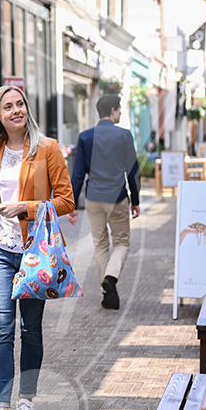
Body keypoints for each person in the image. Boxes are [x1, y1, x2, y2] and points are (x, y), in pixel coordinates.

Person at [0, 85, 75, 410]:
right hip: (0, 250)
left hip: (35, 252)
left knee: (30, 329)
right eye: (8, 107)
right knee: (2, 327)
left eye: (20, 104)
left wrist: (27, 208)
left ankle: (26, 400)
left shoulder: (47, 149)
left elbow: (66, 200)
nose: (16, 110)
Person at [67, 94, 140, 310]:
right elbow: (133, 171)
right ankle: (111, 277)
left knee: (100, 246)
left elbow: (78, 173)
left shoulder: (85, 137)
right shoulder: (124, 136)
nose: (120, 113)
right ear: (114, 110)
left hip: (93, 199)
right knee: (122, 243)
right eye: (120, 110)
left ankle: (107, 294)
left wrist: (71, 205)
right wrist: (135, 200)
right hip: (117, 198)